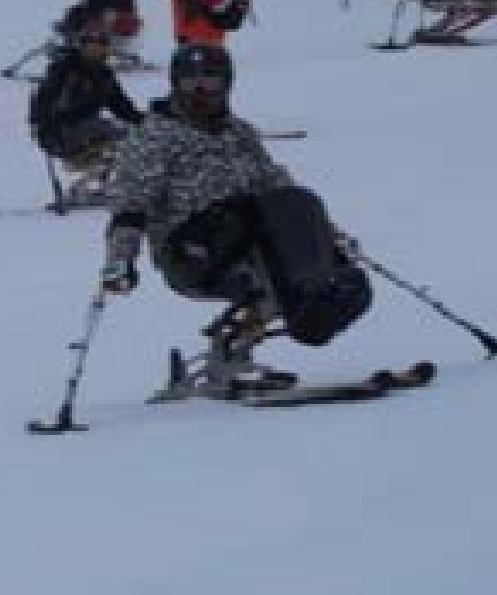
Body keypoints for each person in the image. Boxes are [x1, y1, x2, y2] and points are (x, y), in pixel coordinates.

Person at [100, 44, 371, 380]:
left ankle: (318, 302)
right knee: (242, 212)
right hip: (190, 252)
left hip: (247, 243)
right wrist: (120, 261)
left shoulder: (238, 133)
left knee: (297, 201)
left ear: (227, 84)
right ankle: (299, 301)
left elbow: (278, 187)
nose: (201, 92)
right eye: (191, 84)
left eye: (210, 82)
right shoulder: (154, 137)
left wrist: (331, 240)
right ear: (175, 84)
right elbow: (130, 207)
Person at [29, 29, 144, 201]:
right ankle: (99, 185)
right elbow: (41, 102)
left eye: (104, 44)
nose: (99, 49)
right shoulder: (65, 69)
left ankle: (103, 185)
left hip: (89, 127)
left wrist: (149, 122)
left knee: (134, 137)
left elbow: (122, 107)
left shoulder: (104, 74)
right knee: (120, 137)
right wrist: (43, 128)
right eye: (93, 44)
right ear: (83, 46)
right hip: (60, 131)